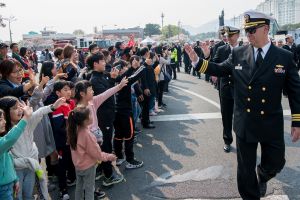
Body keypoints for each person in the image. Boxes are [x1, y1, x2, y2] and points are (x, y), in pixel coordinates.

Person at [185, 10, 300, 200]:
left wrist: (297, 121)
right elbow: (220, 69)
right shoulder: (238, 53)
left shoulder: (284, 57)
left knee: (276, 163)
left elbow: (295, 91)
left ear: (265, 29)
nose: (248, 35)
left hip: (271, 121)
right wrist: (197, 61)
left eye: (252, 30)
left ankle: (263, 174)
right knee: (245, 171)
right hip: (245, 120)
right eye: (246, 31)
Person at [88, 53, 124, 186]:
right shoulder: (94, 80)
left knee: (104, 143)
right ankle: (108, 176)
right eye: (102, 61)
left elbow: (108, 90)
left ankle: (101, 170)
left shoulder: (102, 76)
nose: (105, 63)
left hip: (107, 116)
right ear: (95, 64)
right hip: (103, 117)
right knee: (106, 145)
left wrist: (112, 78)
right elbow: (104, 95)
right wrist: (113, 81)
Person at [67, 106, 117, 200]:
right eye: (89, 115)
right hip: (88, 167)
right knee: (89, 189)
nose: (92, 116)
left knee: (79, 187)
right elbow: (97, 154)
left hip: (78, 165)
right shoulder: (87, 135)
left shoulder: (74, 130)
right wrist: (109, 156)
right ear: (85, 121)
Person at [212, 26, 240, 153]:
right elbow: (215, 63)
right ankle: (227, 140)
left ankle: (241, 141)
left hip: (240, 88)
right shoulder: (221, 49)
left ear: (238, 35)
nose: (228, 38)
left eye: (230, 35)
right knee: (226, 116)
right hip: (225, 87)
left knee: (241, 116)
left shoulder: (245, 49)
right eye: (227, 36)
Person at [0, 105, 32, 200]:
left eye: (4, 119)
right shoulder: (2, 142)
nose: (4, 122)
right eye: (0, 119)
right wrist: (25, 118)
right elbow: (10, 138)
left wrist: (15, 179)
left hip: (8, 186)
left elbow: (8, 162)